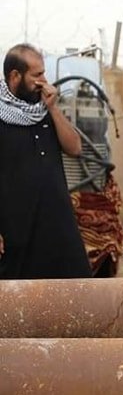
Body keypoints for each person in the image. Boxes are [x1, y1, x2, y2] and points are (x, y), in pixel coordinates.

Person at [0, 43, 90, 279]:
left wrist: (54, 109)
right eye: (37, 74)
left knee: (76, 290)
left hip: (57, 224)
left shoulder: (45, 109)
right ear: (15, 76)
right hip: (16, 228)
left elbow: (75, 148)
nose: (44, 80)